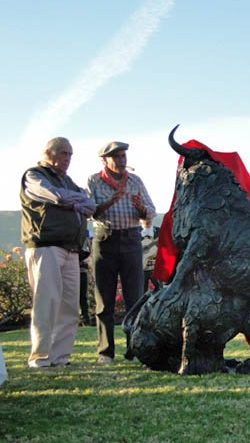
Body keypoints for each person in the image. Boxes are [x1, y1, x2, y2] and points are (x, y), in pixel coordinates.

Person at [20, 137, 95, 368]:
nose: (67, 159)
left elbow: (90, 206)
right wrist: (74, 200)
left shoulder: (68, 181)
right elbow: (52, 195)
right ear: (48, 152)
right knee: (47, 302)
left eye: (70, 154)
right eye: (63, 153)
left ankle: (60, 358)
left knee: (69, 307)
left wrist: (73, 200)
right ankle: (40, 358)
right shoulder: (33, 175)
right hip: (46, 246)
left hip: (71, 249)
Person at [87, 141, 156, 364]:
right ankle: (105, 352)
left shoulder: (135, 180)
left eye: (123, 155)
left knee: (134, 298)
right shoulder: (94, 180)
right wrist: (109, 202)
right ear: (104, 160)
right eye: (115, 156)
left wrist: (141, 209)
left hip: (131, 239)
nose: (121, 159)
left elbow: (149, 212)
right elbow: (89, 211)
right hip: (105, 239)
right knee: (104, 299)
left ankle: (133, 349)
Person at [141, 219, 160, 293]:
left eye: (149, 217)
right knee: (141, 293)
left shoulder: (160, 231)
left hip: (156, 268)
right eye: (144, 218)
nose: (146, 220)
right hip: (141, 269)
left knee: (160, 291)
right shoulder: (134, 233)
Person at [78, 231, 92, 326]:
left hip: (82, 268)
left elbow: (91, 248)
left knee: (83, 295)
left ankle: (85, 318)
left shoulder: (87, 233)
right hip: (72, 265)